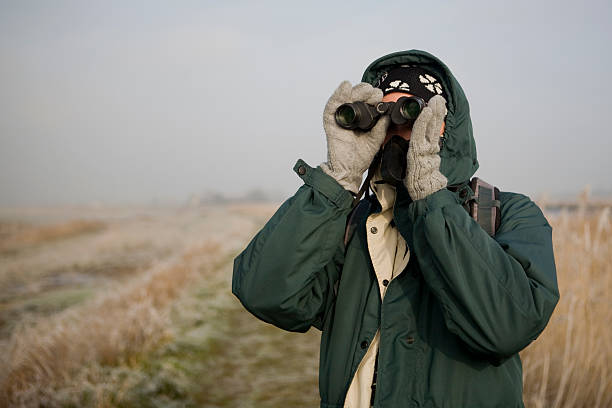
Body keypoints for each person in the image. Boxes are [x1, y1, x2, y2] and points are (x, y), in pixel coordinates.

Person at [232, 49, 559, 408]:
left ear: (446, 128)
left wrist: (431, 200)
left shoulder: (507, 214)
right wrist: (336, 180)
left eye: (410, 114)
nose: (393, 131)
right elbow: (266, 294)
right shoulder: (356, 222)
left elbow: (507, 326)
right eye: (381, 116)